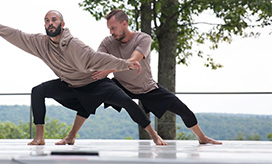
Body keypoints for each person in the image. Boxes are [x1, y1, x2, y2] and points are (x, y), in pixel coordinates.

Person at [0, 10, 166, 146]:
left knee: (127, 102)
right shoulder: (41, 43)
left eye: (54, 20)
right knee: (38, 91)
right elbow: (16, 35)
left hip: (94, 83)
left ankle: (154, 135)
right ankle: (40, 137)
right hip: (71, 85)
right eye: (47, 21)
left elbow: (98, 58)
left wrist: (125, 64)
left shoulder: (75, 45)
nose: (50, 23)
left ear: (62, 24)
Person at [58, 9, 222, 145]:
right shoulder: (108, 42)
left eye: (113, 28)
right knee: (91, 100)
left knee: (183, 110)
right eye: (109, 29)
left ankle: (202, 137)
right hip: (121, 85)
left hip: (147, 87)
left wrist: (108, 70)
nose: (111, 32)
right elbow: (98, 61)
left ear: (124, 24)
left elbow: (134, 60)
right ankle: (71, 136)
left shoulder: (143, 38)